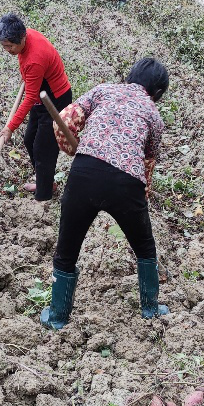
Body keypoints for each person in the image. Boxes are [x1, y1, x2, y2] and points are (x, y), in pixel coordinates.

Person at [40, 58, 170, 330]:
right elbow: (148, 162)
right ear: (157, 94)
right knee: (144, 246)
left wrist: (70, 147)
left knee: (67, 249)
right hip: (126, 183)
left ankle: (57, 317)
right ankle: (150, 309)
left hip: (84, 174)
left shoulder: (104, 91)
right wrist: (141, 196)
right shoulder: (154, 116)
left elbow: (65, 118)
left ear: (129, 76)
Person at [0, 13, 73, 202]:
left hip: (55, 100)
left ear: (22, 37)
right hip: (41, 95)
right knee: (30, 140)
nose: (8, 50)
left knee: (43, 148)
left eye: (10, 46)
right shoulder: (26, 38)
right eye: (4, 46)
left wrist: (10, 127)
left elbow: (29, 97)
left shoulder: (34, 60)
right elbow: (31, 90)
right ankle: (45, 180)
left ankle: (44, 196)